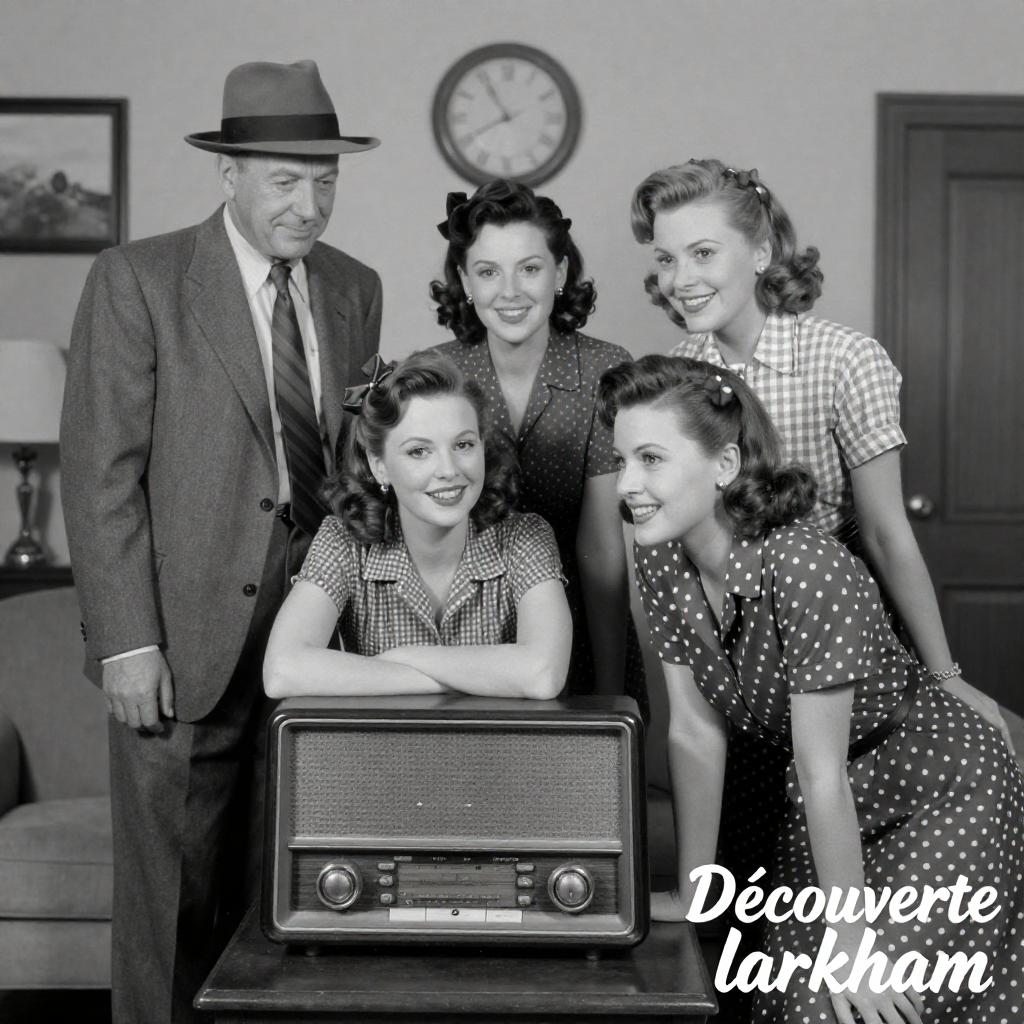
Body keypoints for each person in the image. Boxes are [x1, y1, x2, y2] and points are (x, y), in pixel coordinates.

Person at [60, 60, 382, 1024]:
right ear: (229, 173)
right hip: (180, 640)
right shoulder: (139, 280)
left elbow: (354, 467)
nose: (308, 205)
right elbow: (101, 473)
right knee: (172, 910)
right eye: (285, 180)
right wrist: (127, 641)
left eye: (325, 179)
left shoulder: (354, 288)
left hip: (315, 642)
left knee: (287, 904)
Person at [599, 354, 1024, 1024]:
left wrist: (851, 946)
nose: (627, 484)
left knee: (840, 1005)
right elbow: (695, 731)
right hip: (824, 803)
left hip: (936, 790)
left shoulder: (807, 567)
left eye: (650, 459)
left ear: (725, 464)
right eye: (621, 460)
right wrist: (694, 892)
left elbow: (821, 770)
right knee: (790, 999)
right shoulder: (659, 552)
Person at [629, 158, 1010, 745]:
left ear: (761, 252)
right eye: (666, 259)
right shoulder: (676, 376)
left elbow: (884, 532)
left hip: (841, 635)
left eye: (703, 253)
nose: (681, 279)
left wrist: (944, 674)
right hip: (734, 649)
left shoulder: (845, 360)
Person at [430, 180, 644, 713]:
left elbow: (601, 545)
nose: (510, 291)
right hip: (463, 626)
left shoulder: (605, 367)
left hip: (580, 617)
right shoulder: (436, 373)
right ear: (465, 280)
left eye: (529, 268)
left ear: (560, 272)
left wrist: (608, 688)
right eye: (488, 272)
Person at [263, 349, 572, 697]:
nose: (448, 470)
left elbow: (543, 674)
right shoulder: (343, 542)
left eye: (463, 445)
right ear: (379, 466)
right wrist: (461, 681)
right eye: (418, 451)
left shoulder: (525, 537)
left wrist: (404, 658)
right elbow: (282, 671)